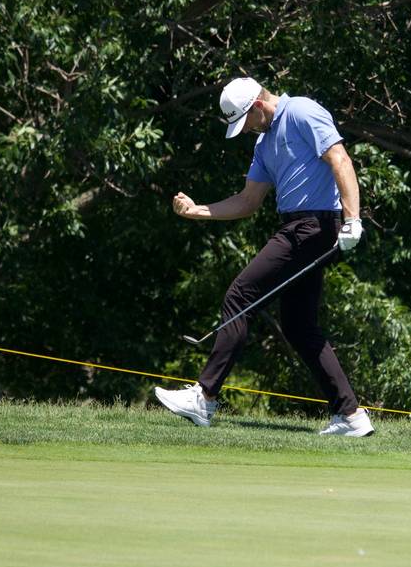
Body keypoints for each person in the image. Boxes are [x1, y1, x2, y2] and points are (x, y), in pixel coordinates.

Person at [153, 77, 374, 437]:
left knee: (240, 295)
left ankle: (204, 398)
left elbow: (340, 159)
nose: (246, 130)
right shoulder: (263, 142)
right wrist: (197, 211)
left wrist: (353, 220)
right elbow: (247, 201)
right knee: (299, 326)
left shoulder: (302, 111)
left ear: (258, 105)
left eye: (246, 121)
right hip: (299, 227)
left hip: (314, 226)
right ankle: (350, 416)